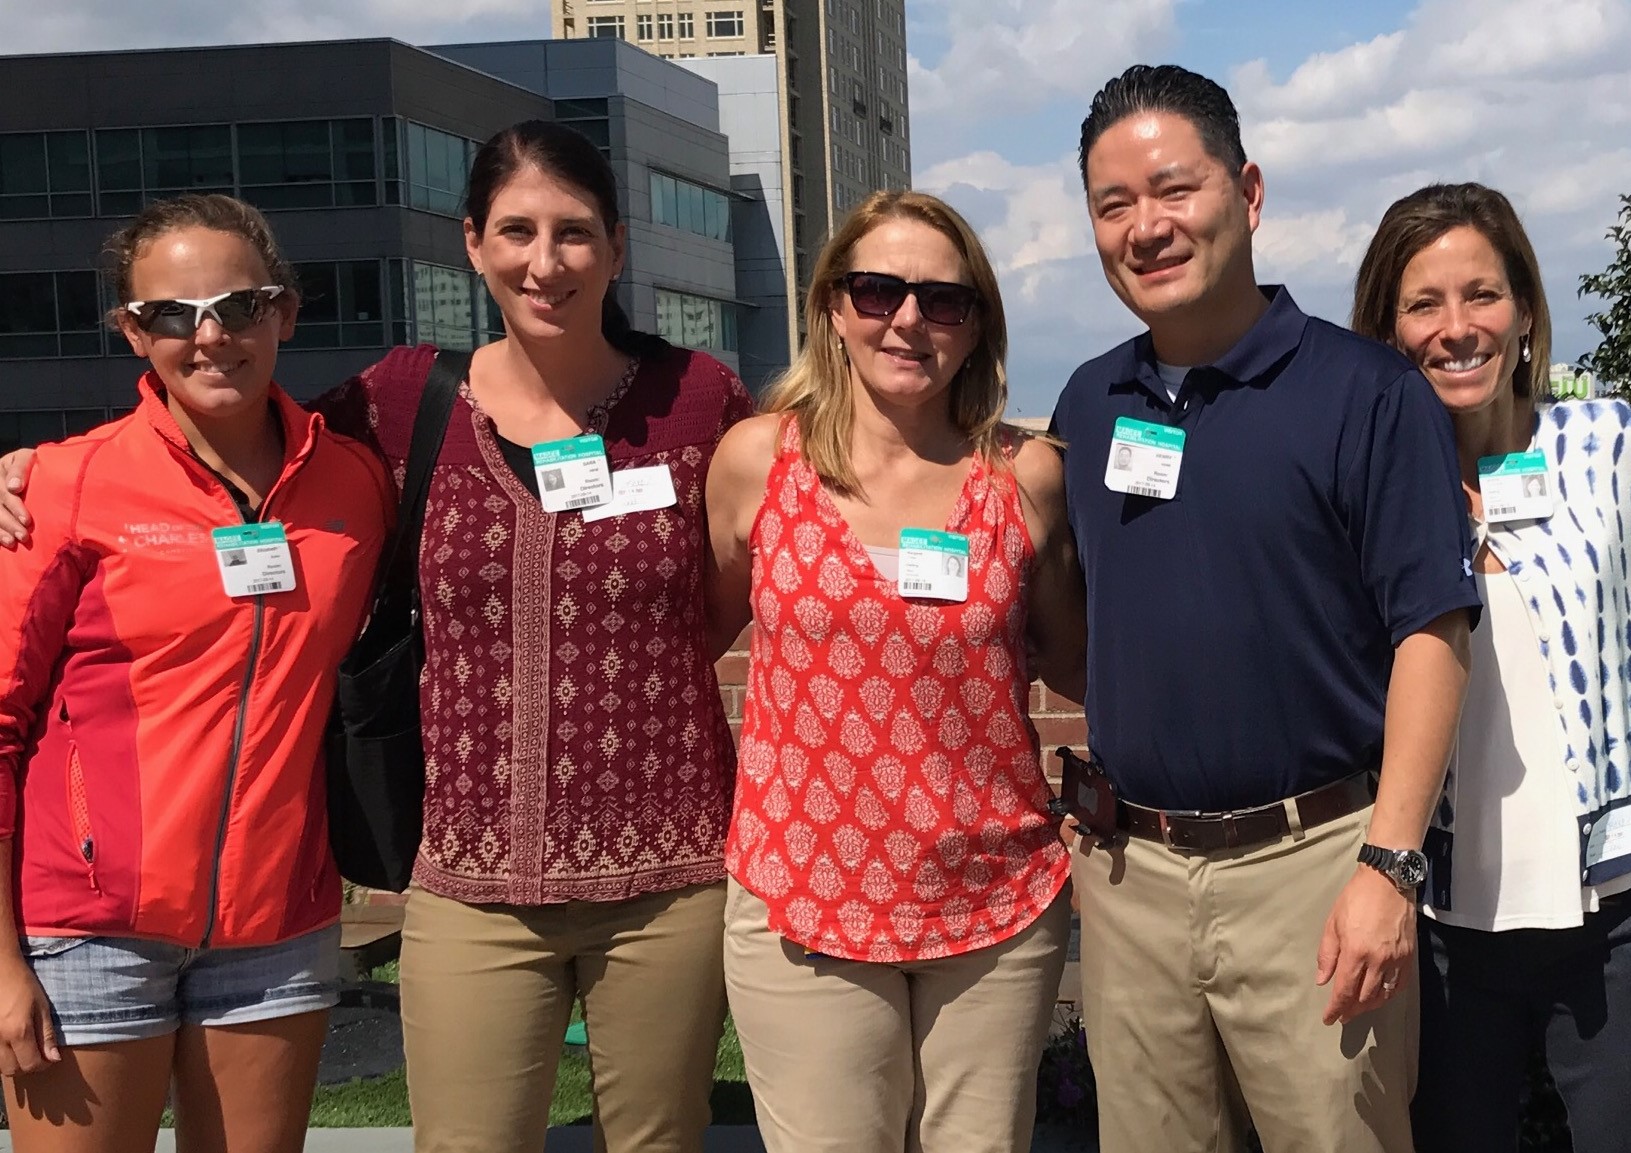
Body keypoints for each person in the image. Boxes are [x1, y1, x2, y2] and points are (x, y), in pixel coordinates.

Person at [0, 121, 752, 1153]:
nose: (545, 261)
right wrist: (31, 467)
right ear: (473, 243)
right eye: (517, 230)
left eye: (573, 232)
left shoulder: (698, 402)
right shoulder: (400, 403)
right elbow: (225, 435)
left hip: (648, 871)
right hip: (444, 874)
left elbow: (724, 596)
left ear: (617, 247)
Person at [1050, 65, 1480, 1153]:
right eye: (1113, 205)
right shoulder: (1088, 404)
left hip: (1315, 868)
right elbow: (1074, 616)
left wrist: (1388, 866)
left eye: (1172, 190)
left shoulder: (1366, 396)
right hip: (1130, 875)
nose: (1145, 228)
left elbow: (1431, 633)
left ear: (1245, 192)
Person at [0, 195, 391, 1153]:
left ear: (286, 312)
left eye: (241, 305)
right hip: (87, 931)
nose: (209, 335)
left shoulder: (356, 480)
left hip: (278, 927)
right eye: (172, 314)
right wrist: (1, 966)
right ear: (134, 332)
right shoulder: (64, 483)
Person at [705, 190, 1086, 1153]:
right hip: (804, 896)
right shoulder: (757, 462)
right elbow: (703, 628)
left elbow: (1069, 653)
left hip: (991, 899)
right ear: (832, 305)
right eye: (877, 291)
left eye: (942, 300)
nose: (907, 320)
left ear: (976, 326)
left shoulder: (1025, 476)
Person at [1352, 182, 1631, 1153]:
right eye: (1423, 303)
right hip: (1434, 927)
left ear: (1522, 311)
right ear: (1387, 329)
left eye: (1481, 294)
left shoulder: (1606, 446)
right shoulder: (1369, 494)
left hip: (1609, 912)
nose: (1456, 327)